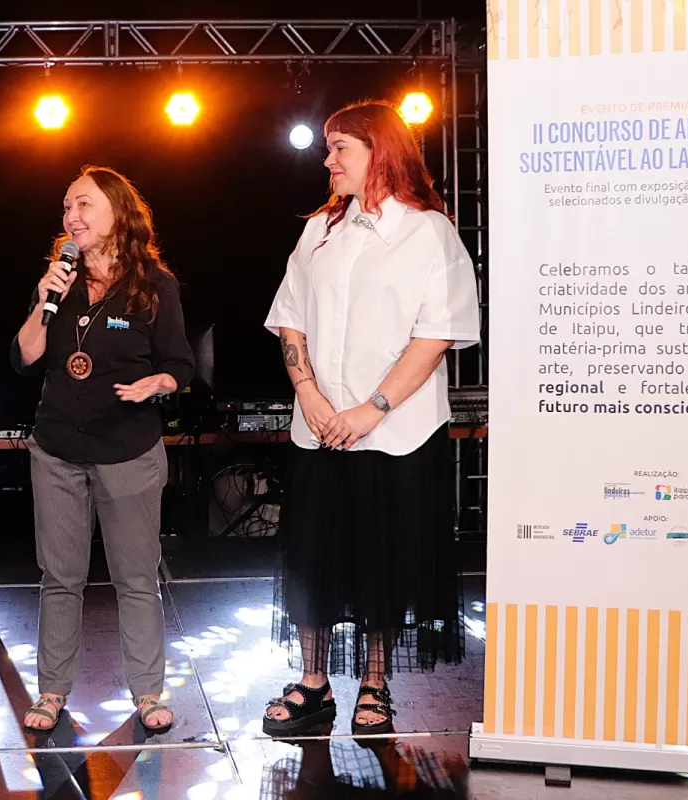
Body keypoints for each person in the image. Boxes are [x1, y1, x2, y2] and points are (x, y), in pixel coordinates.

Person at [261, 101, 481, 735]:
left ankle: (375, 685)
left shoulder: (428, 233)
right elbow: (290, 318)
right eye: (328, 148)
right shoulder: (319, 230)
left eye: (340, 148)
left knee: (380, 560)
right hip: (319, 430)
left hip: (394, 434)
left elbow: (436, 336)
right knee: (312, 556)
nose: (327, 160)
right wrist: (308, 393)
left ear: (379, 152)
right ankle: (314, 683)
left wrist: (370, 409)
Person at [11, 166, 194, 734]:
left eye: (84, 204)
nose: (72, 217)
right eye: (67, 207)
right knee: (59, 577)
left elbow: (181, 364)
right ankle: (51, 691)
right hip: (57, 449)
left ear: (118, 212)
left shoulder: (154, 285)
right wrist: (45, 299)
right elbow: (24, 356)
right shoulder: (57, 281)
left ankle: (148, 692)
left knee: (135, 578)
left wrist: (159, 382)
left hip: (128, 451)